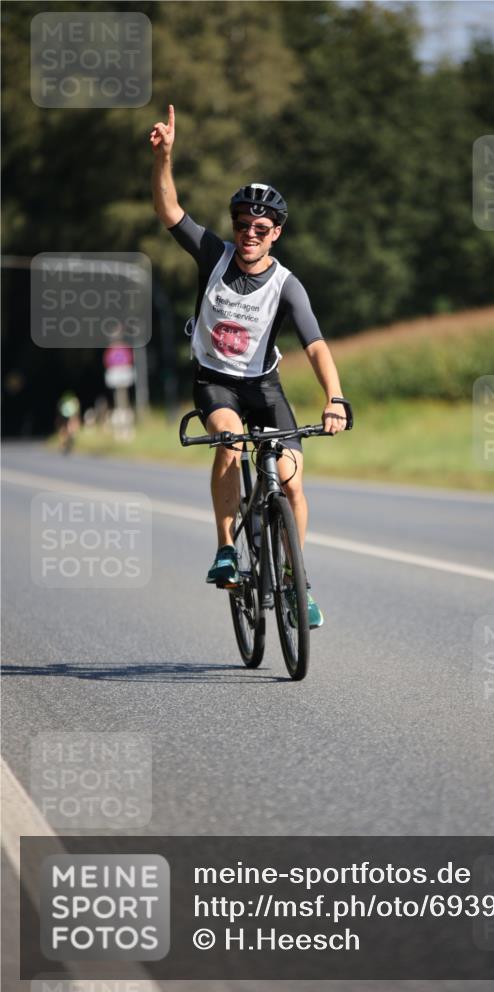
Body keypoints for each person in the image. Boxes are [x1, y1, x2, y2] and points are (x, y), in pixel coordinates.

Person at [150, 105, 347, 628]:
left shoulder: (288, 285)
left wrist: (335, 397)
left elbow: (317, 345)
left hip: (263, 386)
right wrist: (165, 158)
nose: (250, 233)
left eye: (261, 227)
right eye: (243, 224)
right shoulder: (213, 254)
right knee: (231, 442)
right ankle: (226, 550)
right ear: (234, 226)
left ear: (276, 232)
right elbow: (169, 210)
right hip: (214, 383)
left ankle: (293, 583)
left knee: (294, 483)